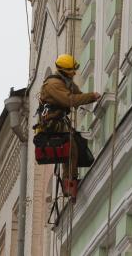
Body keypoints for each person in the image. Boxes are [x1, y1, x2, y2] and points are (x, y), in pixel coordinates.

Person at [38, 54, 100, 195]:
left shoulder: (65, 82)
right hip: (51, 123)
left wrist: (86, 98)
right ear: (65, 71)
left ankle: (70, 180)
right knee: (70, 147)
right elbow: (69, 100)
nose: (75, 73)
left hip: (58, 120)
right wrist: (91, 96)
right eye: (72, 70)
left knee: (73, 146)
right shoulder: (53, 85)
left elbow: (77, 94)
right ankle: (69, 183)